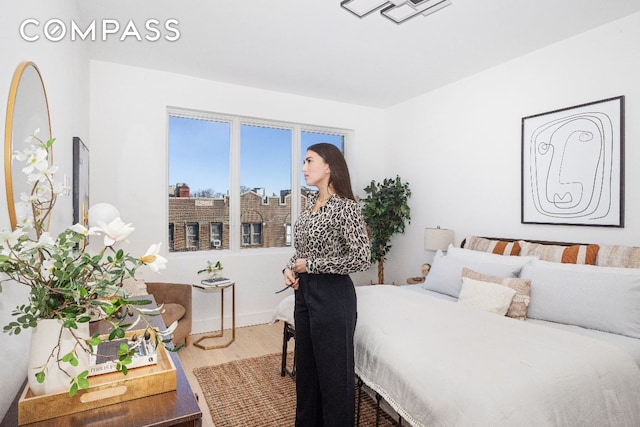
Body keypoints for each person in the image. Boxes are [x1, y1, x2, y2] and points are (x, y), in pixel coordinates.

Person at [282, 143, 371, 426]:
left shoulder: (346, 207)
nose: (304, 168)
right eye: (303, 162)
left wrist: (313, 266)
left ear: (329, 166)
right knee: (306, 372)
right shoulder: (311, 207)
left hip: (334, 297)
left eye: (309, 161)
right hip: (305, 295)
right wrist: (290, 267)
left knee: (335, 378)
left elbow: (361, 258)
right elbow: (303, 250)